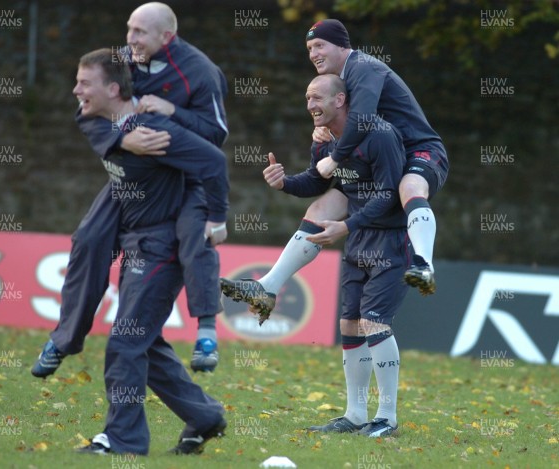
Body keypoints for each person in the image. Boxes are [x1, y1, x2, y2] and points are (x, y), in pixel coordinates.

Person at [31, 2, 228, 377]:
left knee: (195, 236)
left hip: (183, 176)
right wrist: (123, 140)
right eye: (129, 29)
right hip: (132, 172)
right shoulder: (122, 59)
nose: (129, 39)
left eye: (139, 32)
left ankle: (206, 332)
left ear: (166, 37)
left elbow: (215, 137)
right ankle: (64, 338)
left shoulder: (201, 72)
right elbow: (87, 108)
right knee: (89, 239)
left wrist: (174, 111)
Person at [221, 19, 448, 321]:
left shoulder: (363, 65)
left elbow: (363, 118)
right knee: (320, 208)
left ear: (343, 46)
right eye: (309, 48)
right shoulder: (338, 85)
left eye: (319, 45)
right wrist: (286, 182)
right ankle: (268, 286)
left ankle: (424, 265)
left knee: (409, 187)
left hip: (419, 150)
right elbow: (319, 176)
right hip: (376, 160)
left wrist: (336, 157)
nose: (313, 53)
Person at [72, 48, 228, 456]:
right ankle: (205, 415)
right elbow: (89, 113)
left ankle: (123, 440)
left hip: (164, 247)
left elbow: (214, 154)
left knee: (126, 341)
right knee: (146, 342)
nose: (76, 91)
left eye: (84, 84)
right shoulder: (114, 114)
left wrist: (215, 218)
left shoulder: (170, 113)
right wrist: (123, 139)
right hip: (139, 243)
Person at [277, 74, 408, 436]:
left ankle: (387, 418)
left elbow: (389, 195)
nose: (310, 105)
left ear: (341, 101)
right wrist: (284, 182)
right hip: (357, 241)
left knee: (375, 322)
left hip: (391, 241)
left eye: (317, 97)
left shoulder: (380, 135)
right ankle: (354, 415)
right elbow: (316, 182)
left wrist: (347, 225)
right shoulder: (327, 143)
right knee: (350, 325)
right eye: (306, 98)